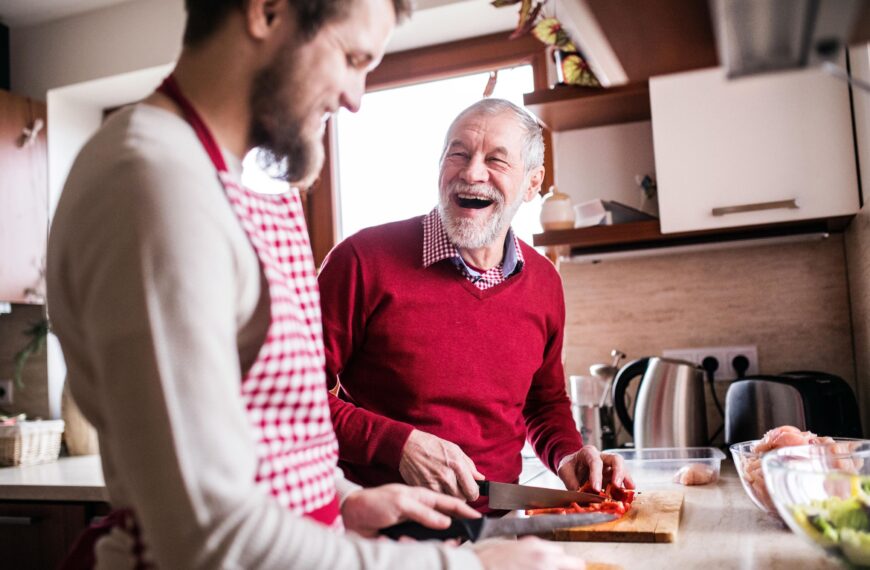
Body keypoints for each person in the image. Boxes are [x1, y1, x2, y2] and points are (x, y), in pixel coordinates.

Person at [46, 2, 587, 569]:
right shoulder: (156, 183)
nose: (354, 97)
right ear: (267, 12)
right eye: (352, 58)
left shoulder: (202, 177)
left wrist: (341, 502)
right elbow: (208, 538)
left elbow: (258, 441)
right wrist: (470, 566)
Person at [319, 98, 634, 504]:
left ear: (532, 183)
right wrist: (397, 445)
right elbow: (292, 396)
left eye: (497, 161)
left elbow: (543, 402)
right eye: (458, 154)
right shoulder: (361, 260)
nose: (471, 173)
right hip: (380, 533)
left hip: (498, 528)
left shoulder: (544, 282)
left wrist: (567, 453)